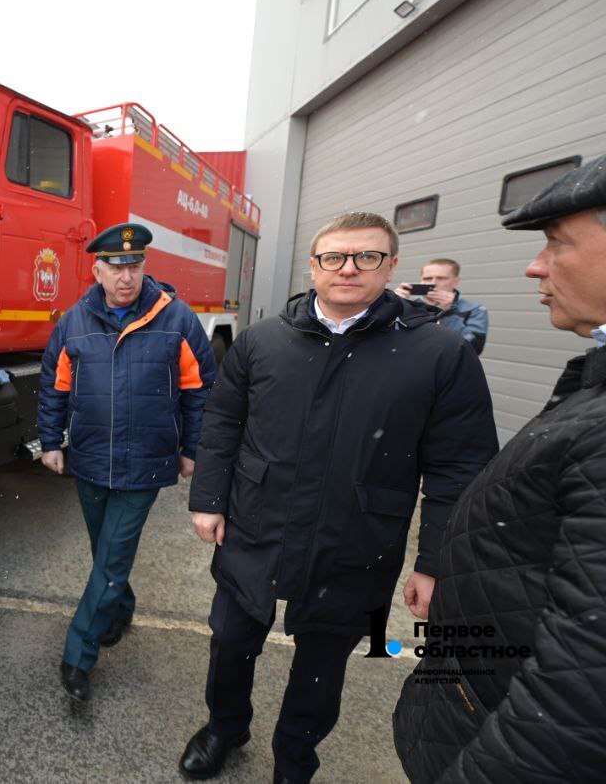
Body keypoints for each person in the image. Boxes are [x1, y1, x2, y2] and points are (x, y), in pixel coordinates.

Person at [181, 212, 498, 783]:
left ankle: (295, 759)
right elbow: (223, 421)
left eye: (366, 257)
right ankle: (224, 726)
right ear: (314, 265)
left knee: (323, 663)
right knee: (230, 639)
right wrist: (208, 498)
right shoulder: (263, 342)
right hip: (257, 524)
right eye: (335, 257)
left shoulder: (439, 356)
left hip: (356, 539)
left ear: (391, 265)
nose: (348, 268)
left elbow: (460, 467)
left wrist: (436, 561)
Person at [393, 156, 606, 781]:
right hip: (473, 704)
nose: (535, 265)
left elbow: (578, 694)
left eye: (555, 242)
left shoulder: (460, 333)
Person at [38, 222, 216, 703]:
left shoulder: (175, 319)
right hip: (91, 459)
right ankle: (121, 607)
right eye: (115, 267)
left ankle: (78, 656)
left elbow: (201, 392)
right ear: (96, 269)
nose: (126, 276)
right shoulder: (73, 322)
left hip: (146, 463)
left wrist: (192, 450)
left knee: (113, 555)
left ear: (144, 267)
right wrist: (51, 441)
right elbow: (54, 388)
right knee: (106, 552)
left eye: (134, 265)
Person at [395, 258, 490, 354]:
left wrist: (447, 312)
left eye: (441, 278)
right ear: (421, 281)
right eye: (427, 278)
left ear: (456, 282)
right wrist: (394, 305)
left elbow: (473, 348)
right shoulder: (409, 306)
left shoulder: (474, 310)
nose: (433, 283)